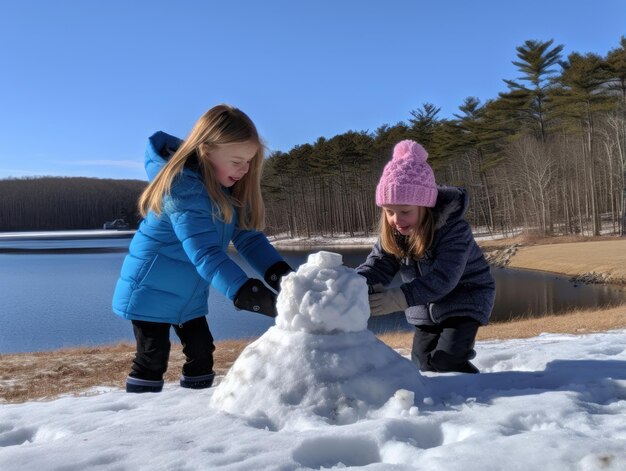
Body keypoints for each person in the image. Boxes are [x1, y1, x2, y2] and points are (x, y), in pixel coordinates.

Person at [112, 104, 292, 393]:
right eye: (237, 161)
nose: (244, 169)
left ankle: (197, 420)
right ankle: (139, 427)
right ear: (207, 150)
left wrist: (282, 276)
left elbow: (248, 238)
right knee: (152, 359)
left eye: (249, 161)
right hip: (149, 289)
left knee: (202, 354)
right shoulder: (183, 189)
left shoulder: (225, 190)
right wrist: (249, 294)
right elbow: (205, 253)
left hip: (188, 293)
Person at [357, 140, 495, 374]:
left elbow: (444, 278)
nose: (396, 220)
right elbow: (378, 265)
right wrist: (352, 284)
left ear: (425, 206)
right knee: (422, 366)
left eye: (405, 211)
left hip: (465, 299)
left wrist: (398, 299)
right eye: (389, 212)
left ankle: (479, 395)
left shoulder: (454, 230)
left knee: (446, 361)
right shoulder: (396, 233)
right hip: (424, 308)